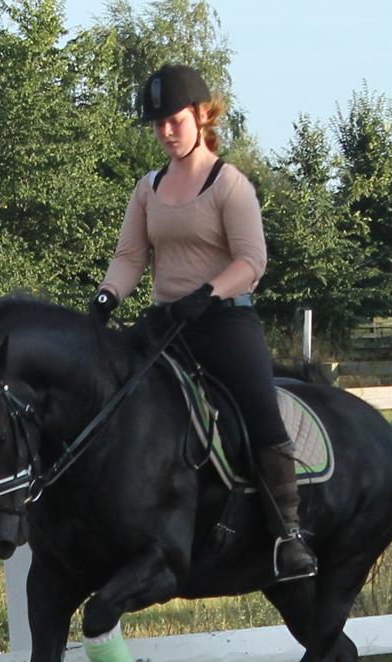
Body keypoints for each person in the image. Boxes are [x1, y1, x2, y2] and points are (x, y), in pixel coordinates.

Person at [88, 63, 316, 582]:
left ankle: (288, 535)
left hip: (224, 324)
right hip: (166, 326)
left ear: (201, 116)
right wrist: (106, 298)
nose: (166, 132)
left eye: (175, 120)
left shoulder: (229, 185)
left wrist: (207, 294)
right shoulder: (147, 188)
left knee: (261, 411)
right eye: (158, 124)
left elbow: (251, 260)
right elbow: (129, 256)